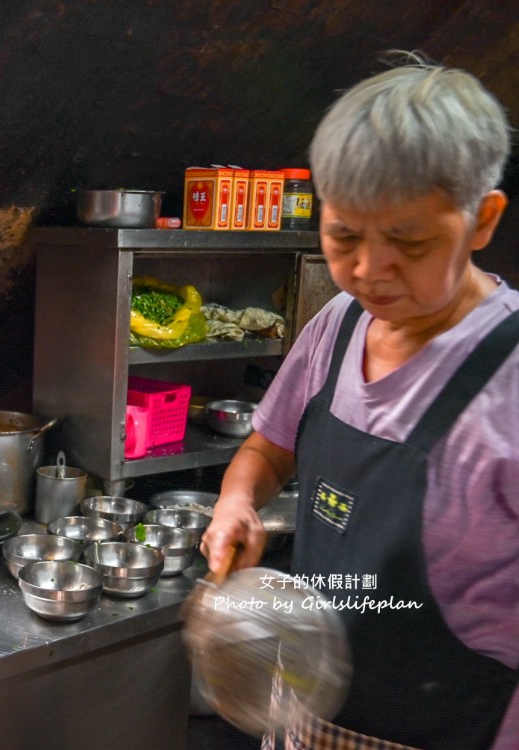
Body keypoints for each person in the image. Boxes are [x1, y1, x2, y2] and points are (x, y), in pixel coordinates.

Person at [201, 53, 518, 750]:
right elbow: (267, 448)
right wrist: (237, 501)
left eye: (408, 240)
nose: (369, 271)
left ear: (483, 219)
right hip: (307, 717)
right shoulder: (338, 326)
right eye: (343, 234)